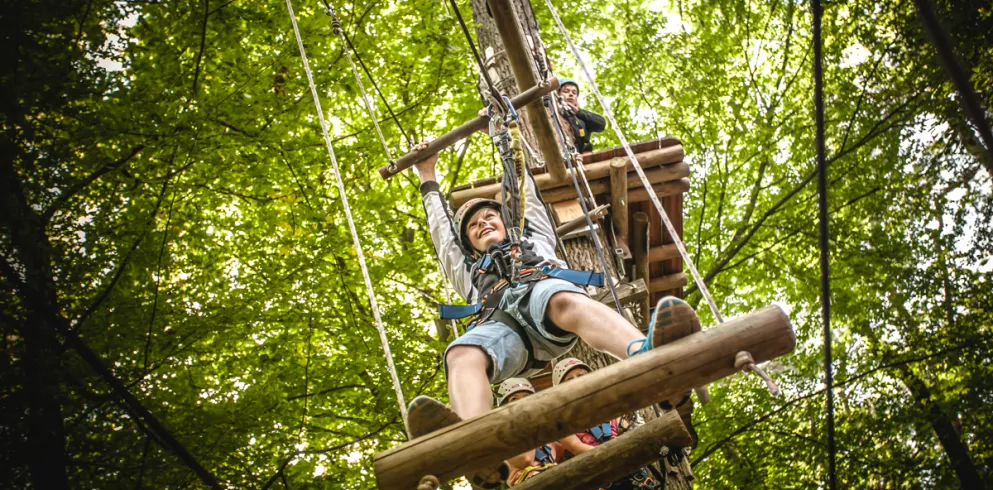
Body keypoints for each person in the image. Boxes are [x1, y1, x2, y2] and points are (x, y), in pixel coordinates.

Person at [411, 132, 700, 486]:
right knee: (461, 353)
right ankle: (477, 442)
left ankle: (649, 360)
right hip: (501, 325)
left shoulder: (533, 239)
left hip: (544, 302)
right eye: (473, 225)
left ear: (506, 222)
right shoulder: (469, 272)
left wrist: (507, 137)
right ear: (468, 243)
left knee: (562, 297)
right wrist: (428, 177)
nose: (483, 223)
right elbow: (442, 236)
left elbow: (523, 190)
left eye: (490, 216)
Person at [552, 358, 662, 489]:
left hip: (632, 473)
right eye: (569, 380)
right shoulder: (562, 423)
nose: (577, 381)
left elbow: (631, 429)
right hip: (602, 477)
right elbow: (577, 447)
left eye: (580, 376)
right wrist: (614, 454)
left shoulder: (610, 405)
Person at [495, 378, 565, 485]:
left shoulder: (546, 440)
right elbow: (526, 460)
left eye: (527, 398)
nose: (523, 403)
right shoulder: (505, 440)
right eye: (514, 399)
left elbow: (562, 453)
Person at [556, 78, 606, 153]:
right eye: (566, 91)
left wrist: (579, 112)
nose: (570, 94)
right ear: (558, 95)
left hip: (580, 157)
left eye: (574, 92)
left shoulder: (581, 118)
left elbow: (601, 124)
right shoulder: (552, 112)